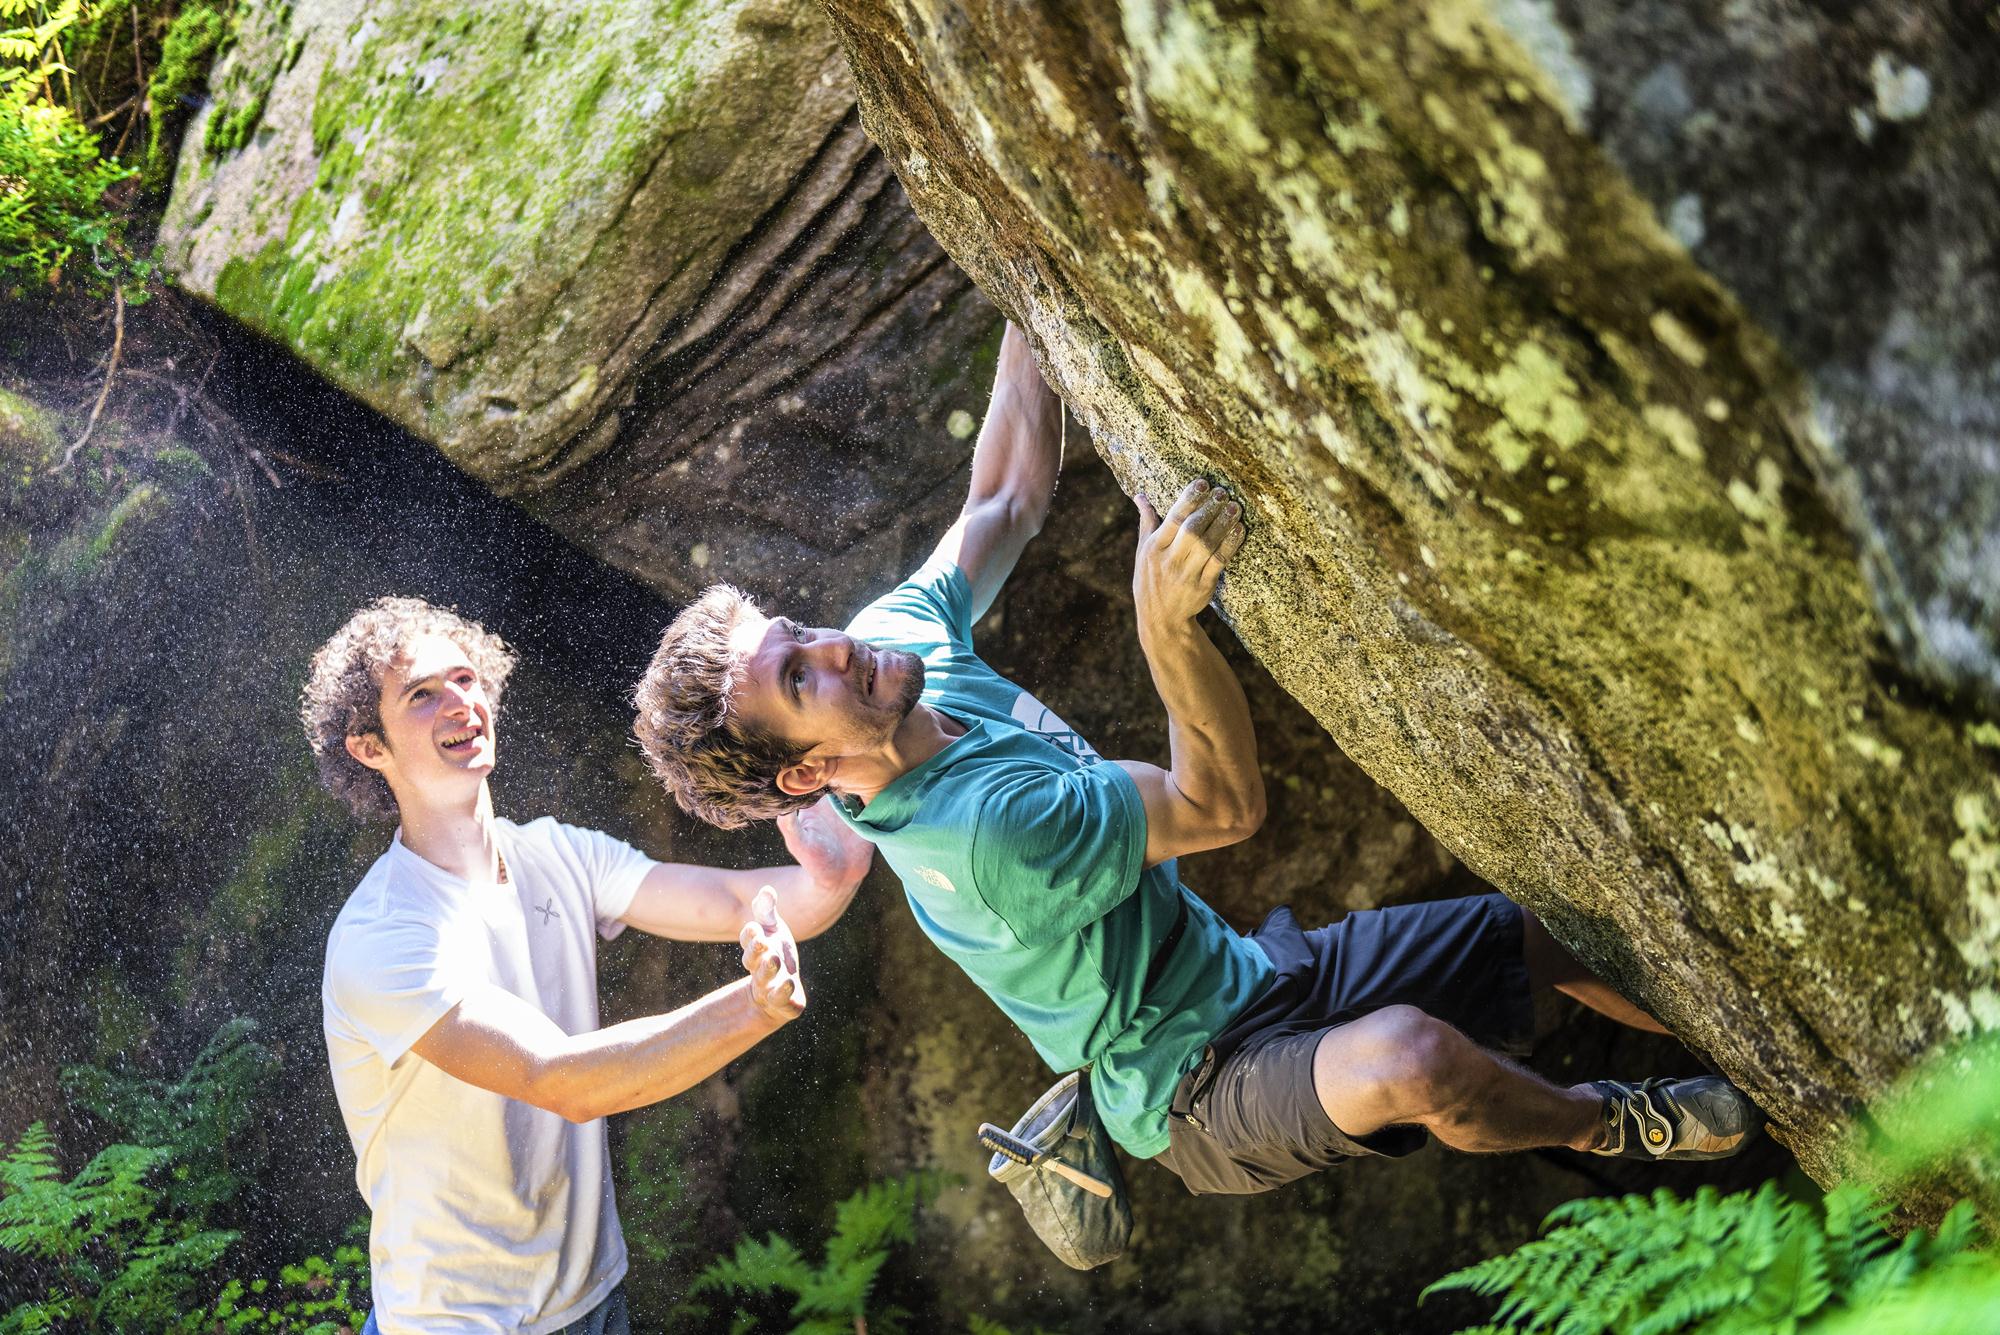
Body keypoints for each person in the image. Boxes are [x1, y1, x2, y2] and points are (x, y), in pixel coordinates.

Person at [631, 324, 1758, 1204]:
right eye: (797, 683)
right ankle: (1608, 1118)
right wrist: (1165, 628)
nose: (830, 648)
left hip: (1242, 976)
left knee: (1548, 933)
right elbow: (1221, 806)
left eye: (793, 632)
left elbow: (1004, 497)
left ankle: (1765, 1064)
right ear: (801, 774)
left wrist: (1020, 267)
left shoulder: (898, 644)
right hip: (1191, 1094)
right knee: (1409, 1059)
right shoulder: (981, 837)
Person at [302, 597, 874, 1332]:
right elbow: (560, 1078)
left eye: (467, 678)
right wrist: (752, 1006)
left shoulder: (556, 853)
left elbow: (744, 899)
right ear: (368, 746)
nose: (461, 704)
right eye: (422, 694)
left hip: (595, 1303)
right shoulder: (383, 934)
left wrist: (838, 865)